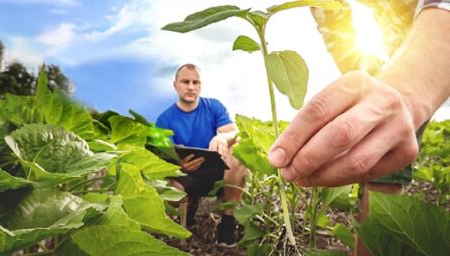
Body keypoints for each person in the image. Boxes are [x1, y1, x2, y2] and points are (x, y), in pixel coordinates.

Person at [269, 1, 449, 255]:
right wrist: (365, 92)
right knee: (372, 146)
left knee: (386, 161)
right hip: (390, 46)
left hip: (429, 37)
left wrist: (405, 92)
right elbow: (333, 19)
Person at [156, 63, 248, 246]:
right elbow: (158, 159)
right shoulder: (164, 119)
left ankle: (227, 225)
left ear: (200, 85)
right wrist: (177, 166)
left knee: (237, 151)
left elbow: (233, 132)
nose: (191, 86)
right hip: (186, 176)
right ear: (175, 85)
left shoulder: (213, 106)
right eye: (185, 82)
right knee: (170, 187)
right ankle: (187, 215)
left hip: (218, 172)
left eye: (195, 82)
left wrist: (223, 137)